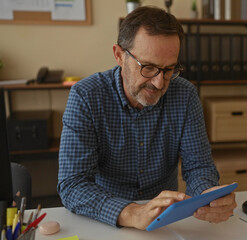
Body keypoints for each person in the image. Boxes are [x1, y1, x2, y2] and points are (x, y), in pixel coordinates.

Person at [57, 6, 237, 230]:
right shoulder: (86, 96)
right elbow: (73, 184)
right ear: (119, 55)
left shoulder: (185, 95)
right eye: (148, 67)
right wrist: (130, 212)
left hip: (166, 221)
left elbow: (199, 166)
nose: (159, 83)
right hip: (106, 220)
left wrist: (206, 196)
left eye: (169, 69)